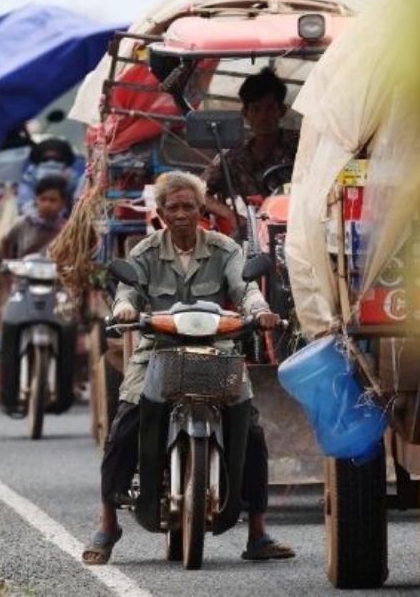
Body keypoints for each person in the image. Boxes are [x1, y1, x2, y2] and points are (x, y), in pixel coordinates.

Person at [82, 171, 295, 566]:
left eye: (189, 206)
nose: (181, 214)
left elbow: (244, 287)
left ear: (202, 211)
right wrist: (125, 308)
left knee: (249, 427)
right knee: (125, 421)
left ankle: (258, 531)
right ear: (160, 213)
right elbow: (128, 290)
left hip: (217, 349)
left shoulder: (225, 248)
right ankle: (108, 522)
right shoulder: (144, 252)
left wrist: (259, 310)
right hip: (157, 351)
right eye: (173, 207)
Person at [0, 176, 70, 402]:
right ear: (36, 200)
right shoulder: (24, 223)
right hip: (24, 284)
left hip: (55, 285)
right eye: (43, 199)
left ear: (62, 204)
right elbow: (6, 241)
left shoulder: (67, 228)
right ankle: (1, 378)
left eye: (53, 200)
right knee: (9, 325)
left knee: (70, 325)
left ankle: (66, 382)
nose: (47, 204)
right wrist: (9, 265)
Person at [202, 68, 300, 223]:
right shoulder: (233, 156)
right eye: (256, 109)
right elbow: (198, 192)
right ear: (245, 113)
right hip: (255, 234)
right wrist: (231, 216)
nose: (263, 116)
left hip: (299, 227)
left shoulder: (300, 144)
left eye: (270, 108)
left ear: (281, 110)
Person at [16, 137, 83, 216]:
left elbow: (24, 204)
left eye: (56, 158)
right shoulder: (30, 176)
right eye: (47, 159)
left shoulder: (29, 176)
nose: (51, 162)